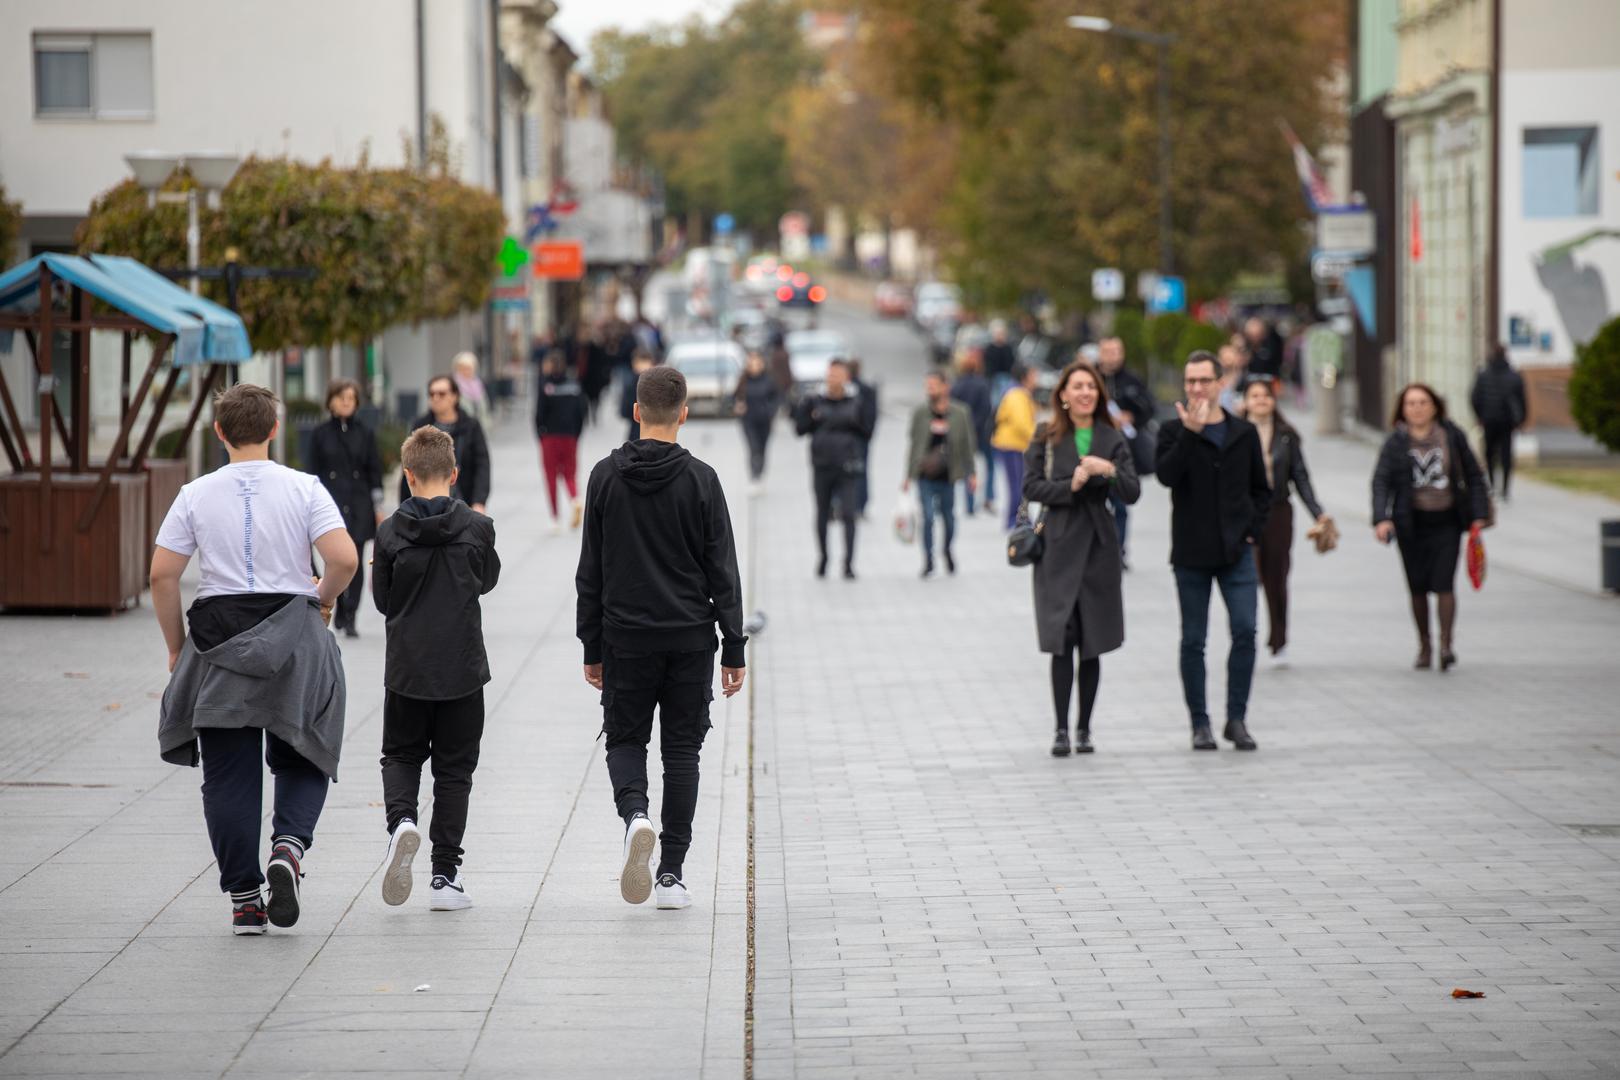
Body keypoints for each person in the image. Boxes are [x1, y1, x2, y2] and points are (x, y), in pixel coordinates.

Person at [152, 384, 357, 935]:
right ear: (273, 430)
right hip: (292, 632)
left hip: (217, 641)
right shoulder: (304, 488)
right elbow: (343, 557)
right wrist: (324, 598)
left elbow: (163, 574)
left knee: (227, 777)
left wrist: (177, 646)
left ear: (219, 433)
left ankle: (245, 900)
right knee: (305, 750)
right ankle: (288, 850)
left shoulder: (195, 494)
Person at [576, 365, 747, 911]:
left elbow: (590, 573)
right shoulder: (702, 479)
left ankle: (636, 816)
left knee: (625, 741)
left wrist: (591, 646)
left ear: (635, 412)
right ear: (684, 414)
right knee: (682, 752)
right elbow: (723, 569)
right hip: (690, 638)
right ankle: (671, 872)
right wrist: (735, 645)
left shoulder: (604, 476)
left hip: (626, 637)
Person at [372, 426, 501, 911]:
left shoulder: (388, 533)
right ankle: (445, 875)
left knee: (401, 756)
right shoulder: (477, 528)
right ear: (454, 472)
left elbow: (384, 601)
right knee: (454, 772)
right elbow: (486, 581)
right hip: (463, 669)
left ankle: (402, 822)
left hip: (407, 668)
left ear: (407, 475)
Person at [1022, 359, 1140, 756]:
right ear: (1064, 396)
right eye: (1077, 387)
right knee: (1063, 637)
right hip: (1057, 542)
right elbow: (1032, 487)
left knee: (1092, 638)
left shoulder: (1112, 436)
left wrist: (1107, 470)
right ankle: (1060, 730)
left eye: (1091, 386)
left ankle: (1085, 728)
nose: (1085, 393)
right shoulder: (1046, 435)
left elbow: (1132, 490)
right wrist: (1068, 486)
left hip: (1099, 547)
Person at [1155, 350, 1271, 752]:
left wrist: (1252, 531)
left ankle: (1236, 719)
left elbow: (1262, 489)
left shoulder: (1243, 433)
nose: (1197, 388)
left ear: (1221, 383)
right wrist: (1190, 433)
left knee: (1244, 630)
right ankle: (1199, 723)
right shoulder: (1172, 431)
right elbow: (1166, 477)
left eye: (1204, 380)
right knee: (1193, 640)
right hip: (1191, 553)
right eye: (1190, 381)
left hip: (1237, 552)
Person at [1372, 383, 1490, 671]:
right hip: (1409, 522)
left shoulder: (1451, 436)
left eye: (1423, 402)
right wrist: (1381, 518)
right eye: (1410, 403)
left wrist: (1478, 514)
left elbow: (1474, 476)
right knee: (1418, 586)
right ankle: (1424, 645)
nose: (1417, 408)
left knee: (1444, 582)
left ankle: (1447, 645)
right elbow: (1381, 481)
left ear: (1435, 406)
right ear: (1402, 409)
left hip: (1447, 521)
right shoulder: (1395, 442)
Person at [1243, 377, 1333, 668]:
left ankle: (1279, 638)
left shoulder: (1286, 435)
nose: (1260, 401)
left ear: (1273, 401)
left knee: (1276, 576)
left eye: (1265, 396)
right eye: (1254, 396)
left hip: (1278, 511)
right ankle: (1245, 634)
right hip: (1244, 513)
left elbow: (1301, 476)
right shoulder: (1236, 434)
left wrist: (1317, 512)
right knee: (1246, 575)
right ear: (1245, 401)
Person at [304, 378, 383, 638]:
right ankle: (335, 602)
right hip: (331, 502)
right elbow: (312, 472)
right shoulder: (320, 434)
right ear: (330, 401)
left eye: (351, 397)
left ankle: (351, 613)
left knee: (357, 558)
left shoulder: (366, 433)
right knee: (333, 557)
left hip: (359, 503)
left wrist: (378, 506)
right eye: (341, 397)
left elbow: (375, 471)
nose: (346, 402)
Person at [794, 359, 874, 579]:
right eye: (830, 375)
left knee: (849, 514)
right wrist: (806, 413)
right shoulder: (814, 400)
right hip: (822, 465)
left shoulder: (857, 399)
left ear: (846, 377)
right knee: (822, 513)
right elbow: (799, 429)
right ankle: (823, 558)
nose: (833, 379)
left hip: (847, 465)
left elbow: (868, 430)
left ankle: (848, 563)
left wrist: (853, 423)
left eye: (837, 375)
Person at [903, 370, 977, 577]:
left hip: (949, 475)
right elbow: (914, 444)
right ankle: (928, 558)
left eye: (934, 385)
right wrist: (908, 475)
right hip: (925, 475)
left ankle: (947, 549)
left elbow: (967, 445)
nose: (930, 390)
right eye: (928, 386)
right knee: (927, 517)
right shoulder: (920, 413)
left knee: (949, 518)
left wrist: (972, 473)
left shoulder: (960, 413)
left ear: (946, 387)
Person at [1096, 337, 1155, 562]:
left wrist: (1131, 417)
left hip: (1123, 452)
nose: (1111, 356)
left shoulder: (1132, 380)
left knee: (1121, 505)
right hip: (1095, 450)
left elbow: (1149, 408)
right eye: (1107, 351)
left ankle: (1118, 551)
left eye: (1116, 351)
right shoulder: (1092, 378)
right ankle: (1099, 550)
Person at [401, 375, 491, 513]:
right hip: (426, 505)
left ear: (454, 396)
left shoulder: (470, 425)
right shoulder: (420, 426)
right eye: (432, 394)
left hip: (464, 500)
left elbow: (482, 464)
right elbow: (409, 464)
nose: (436, 398)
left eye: (441, 394)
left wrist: (479, 502)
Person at [535, 351, 588, 533]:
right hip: (570, 436)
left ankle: (555, 519)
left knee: (551, 476)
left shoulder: (545, 385)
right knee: (570, 473)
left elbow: (539, 414)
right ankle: (575, 498)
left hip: (550, 436)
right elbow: (582, 411)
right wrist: (577, 433)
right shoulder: (574, 385)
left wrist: (540, 435)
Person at [1470, 343, 1527, 500]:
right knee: (1506, 453)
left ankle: (1493, 483)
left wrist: (1479, 416)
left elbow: (1475, 398)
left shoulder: (1483, 375)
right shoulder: (1514, 376)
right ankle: (1506, 488)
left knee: (1489, 452)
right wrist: (1521, 420)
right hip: (1507, 421)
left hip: (1489, 419)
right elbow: (1522, 401)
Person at [991, 363, 1040, 530]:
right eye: (1033, 374)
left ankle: (1020, 517)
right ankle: (1016, 518)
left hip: (1014, 445)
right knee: (1018, 483)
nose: (1036, 378)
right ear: (1025, 377)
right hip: (1012, 445)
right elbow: (1022, 423)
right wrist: (1038, 437)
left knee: (1020, 482)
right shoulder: (1017, 395)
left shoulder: (1020, 393)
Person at [950, 349, 995, 515]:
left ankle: (969, 504)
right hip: (982, 432)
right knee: (990, 465)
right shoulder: (983, 384)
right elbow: (987, 409)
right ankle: (989, 497)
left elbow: (952, 409)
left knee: (968, 467)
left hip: (963, 432)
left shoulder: (957, 385)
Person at [734, 350, 782, 489]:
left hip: (765, 421)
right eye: (751, 363)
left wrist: (770, 411)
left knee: (762, 449)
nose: (754, 366)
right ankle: (754, 476)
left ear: (762, 364)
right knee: (753, 447)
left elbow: (777, 398)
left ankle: (761, 473)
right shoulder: (743, 381)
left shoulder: (769, 380)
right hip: (748, 420)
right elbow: (734, 397)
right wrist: (738, 406)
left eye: (757, 363)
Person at [846, 358, 879, 518]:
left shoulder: (849, 389)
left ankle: (848, 504)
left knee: (848, 472)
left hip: (851, 437)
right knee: (861, 471)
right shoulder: (867, 389)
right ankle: (860, 505)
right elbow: (873, 415)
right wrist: (868, 433)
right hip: (861, 437)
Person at [621, 350, 656, 442]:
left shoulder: (631, 382)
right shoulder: (632, 382)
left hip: (638, 430)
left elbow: (624, 410)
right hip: (645, 430)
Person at [452, 351, 491, 427]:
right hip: (461, 427)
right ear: (457, 369)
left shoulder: (478, 384)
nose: (466, 371)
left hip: (478, 427)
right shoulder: (453, 385)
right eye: (463, 368)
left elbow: (485, 407)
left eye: (469, 368)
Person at [983, 319, 1017, 398]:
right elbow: (988, 363)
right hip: (993, 377)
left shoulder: (1008, 348)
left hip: (1005, 376)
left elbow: (1010, 362)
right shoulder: (990, 348)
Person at [1217, 342, 1250, 415]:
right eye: (1223, 357)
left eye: (1230, 357)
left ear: (1238, 358)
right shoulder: (1214, 381)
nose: (1227, 360)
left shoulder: (1247, 381)